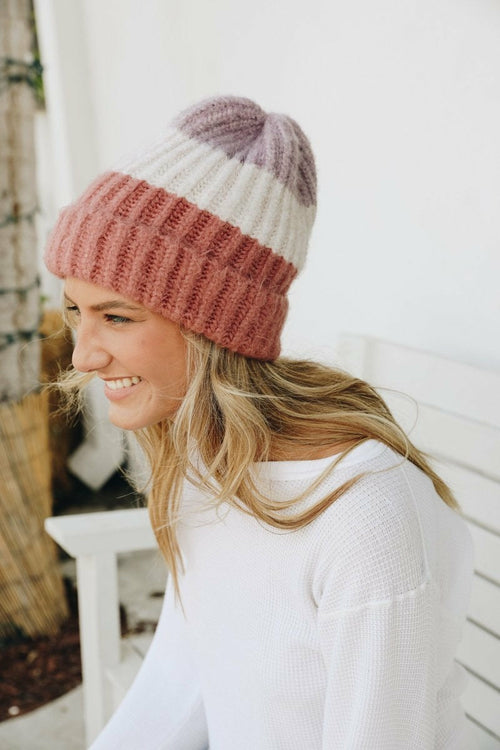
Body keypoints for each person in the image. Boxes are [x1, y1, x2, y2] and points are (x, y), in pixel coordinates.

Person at [45, 95, 474, 749]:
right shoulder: (204, 453)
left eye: (119, 316)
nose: (84, 353)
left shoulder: (366, 519)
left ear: (215, 326)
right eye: (76, 309)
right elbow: (185, 676)